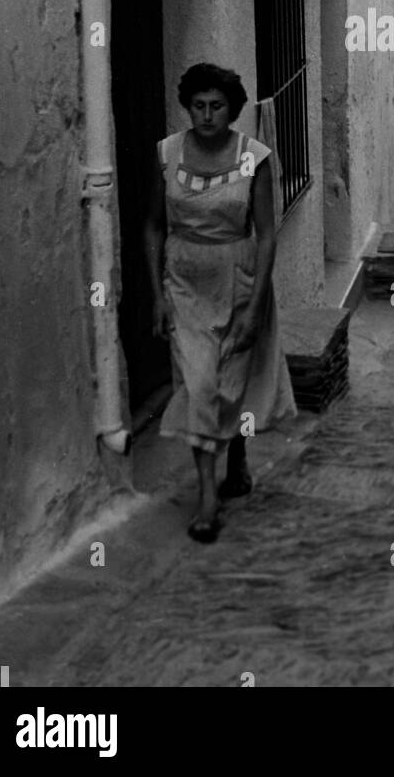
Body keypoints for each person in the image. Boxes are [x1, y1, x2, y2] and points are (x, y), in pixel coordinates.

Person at [144, 63, 296, 543]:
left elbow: (268, 234)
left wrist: (255, 308)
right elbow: (153, 226)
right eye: (198, 106)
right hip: (184, 282)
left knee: (232, 383)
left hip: (239, 279)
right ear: (187, 107)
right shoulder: (167, 154)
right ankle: (207, 496)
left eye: (217, 106)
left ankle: (239, 457)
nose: (207, 115)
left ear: (233, 110)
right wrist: (156, 297)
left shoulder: (254, 157)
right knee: (199, 383)